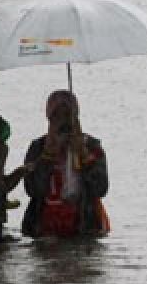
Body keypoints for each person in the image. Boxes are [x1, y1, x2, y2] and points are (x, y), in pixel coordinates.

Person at [22, 90, 110, 238]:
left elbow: (101, 188)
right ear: (49, 119)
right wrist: (47, 156)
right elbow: (32, 190)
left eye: (67, 115)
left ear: (76, 117)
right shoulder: (38, 147)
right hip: (45, 226)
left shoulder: (91, 146)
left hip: (84, 224)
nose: (63, 121)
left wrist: (84, 155)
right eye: (56, 116)